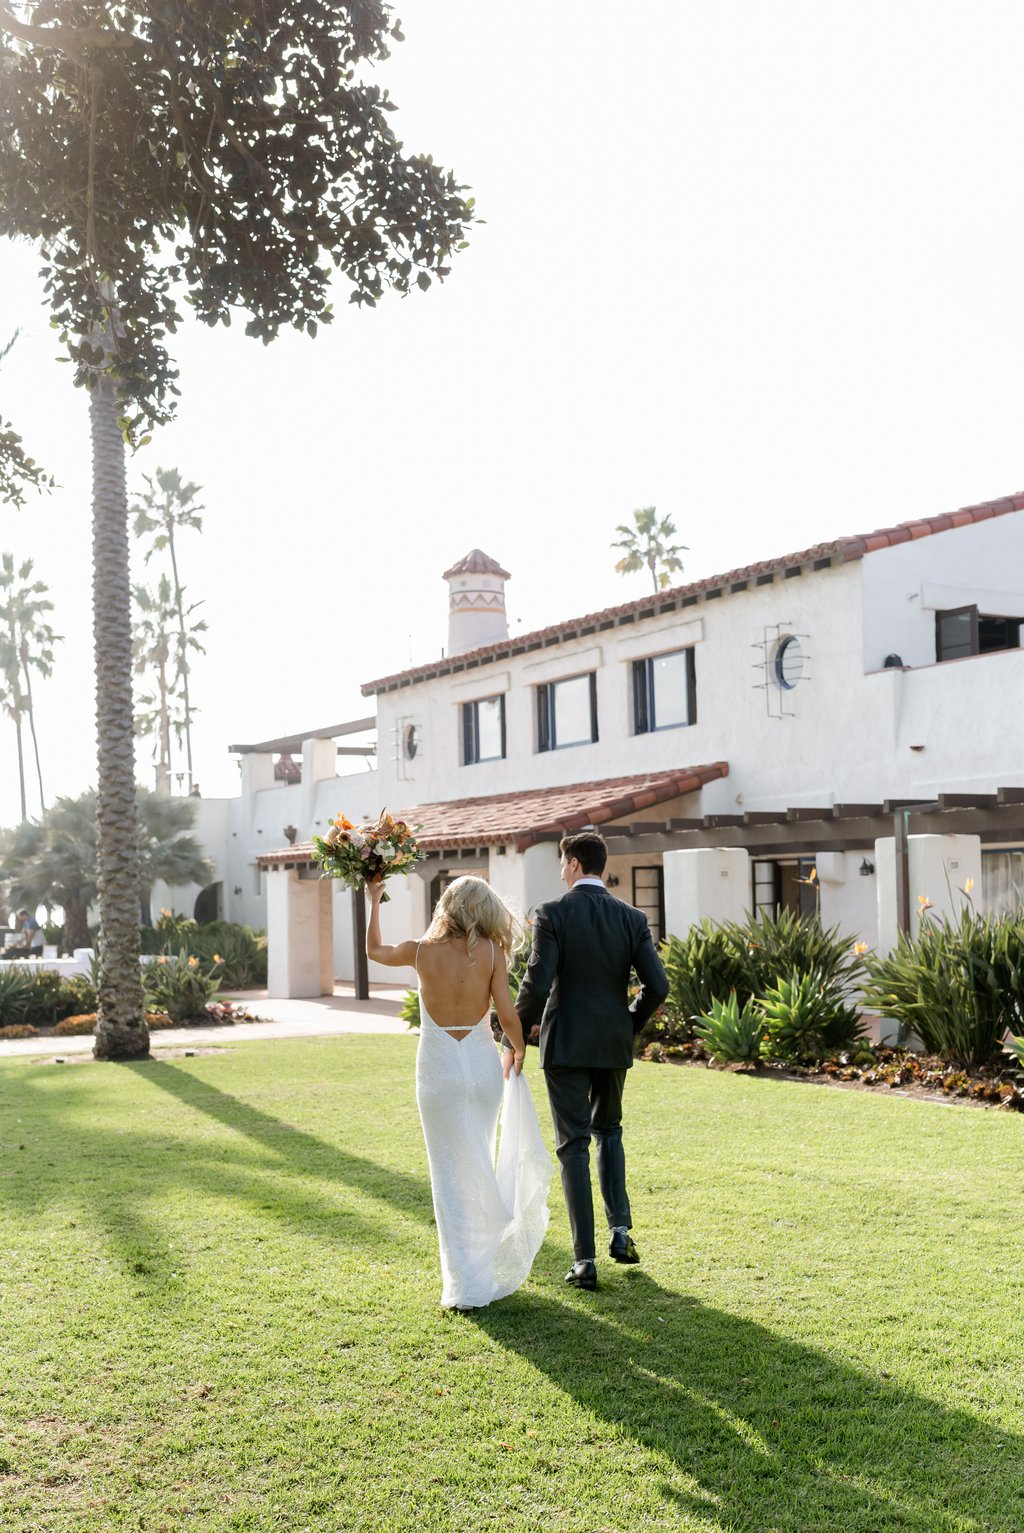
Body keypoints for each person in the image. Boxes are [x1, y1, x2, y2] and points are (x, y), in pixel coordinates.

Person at [365, 874, 552, 1312]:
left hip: (438, 1071)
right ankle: (479, 1269)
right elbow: (507, 1015)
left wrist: (373, 901)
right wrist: (520, 1052)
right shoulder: (491, 952)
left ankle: (464, 1285)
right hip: (481, 1067)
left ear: (447, 906)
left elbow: (374, 951)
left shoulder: (419, 951)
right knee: (478, 1161)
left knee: (448, 1176)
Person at [514, 831, 669, 1292]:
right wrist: (628, 1024)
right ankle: (621, 1233)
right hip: (612, 1044)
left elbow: (537, 983)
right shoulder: (632, 917)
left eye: (563, 863)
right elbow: (656, 985)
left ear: (576, 863)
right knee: (610, 1132)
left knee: (573, 1146)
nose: (561, 872)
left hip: (566, 1045)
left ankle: (583, 1260)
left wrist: (513, 1032)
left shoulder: (552, 913)